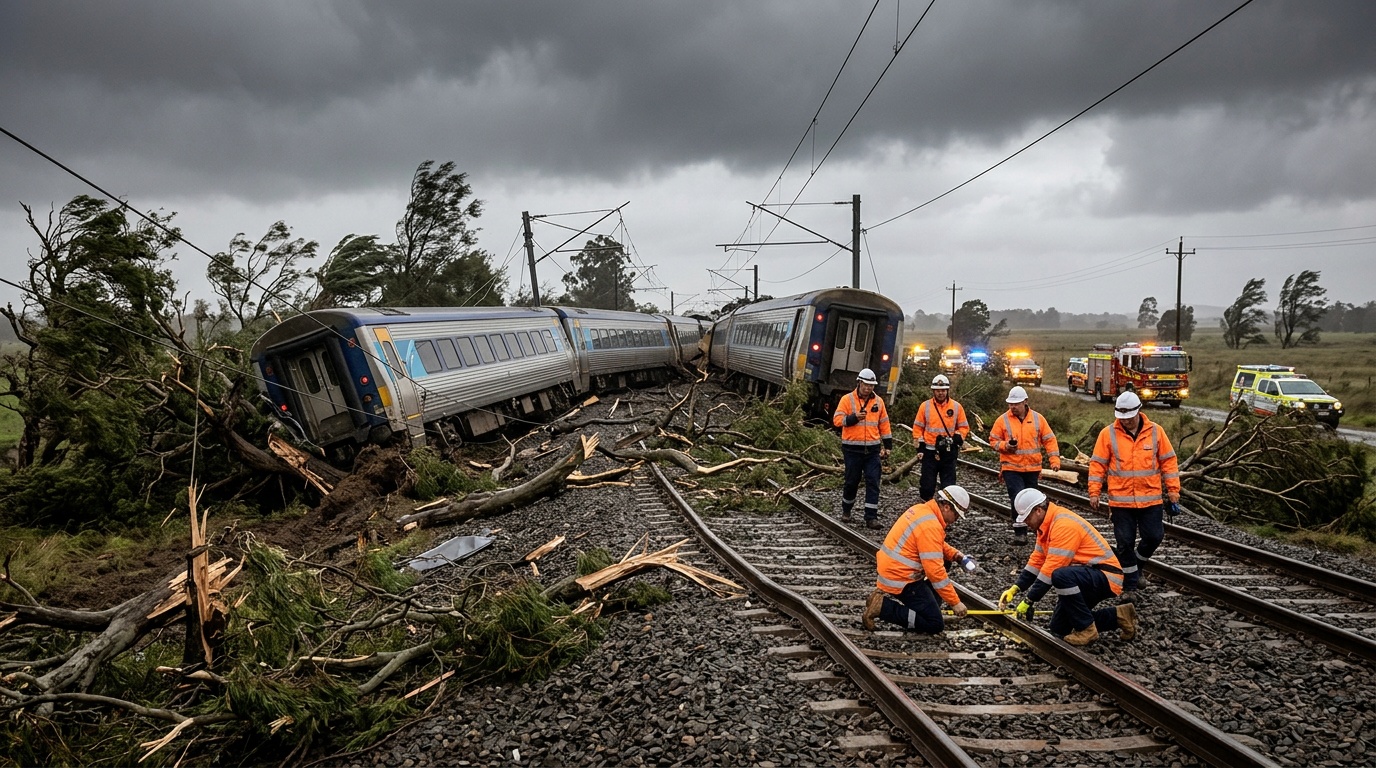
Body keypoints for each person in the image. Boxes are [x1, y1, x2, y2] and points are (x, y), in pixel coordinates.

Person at [998, 488, 1137, 646]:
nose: (1026, 523)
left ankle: (1087, 630)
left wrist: (1029, 600)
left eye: (1027, 518)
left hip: (1105, 575)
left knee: (1060, 575)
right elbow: (1037, 561)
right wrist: (1016, 588)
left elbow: (1050, 570)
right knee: (1059, 629)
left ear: (1038, 510)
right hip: (1086, 576)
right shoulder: (1046, 527)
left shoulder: (1063, 525)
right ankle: (1120, 615)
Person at [1087, 391, 1181, 591]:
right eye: (1122, 418)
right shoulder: (1108, 434)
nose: (1126, 421)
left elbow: (1169, 462)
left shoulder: (1156, 432)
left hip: (1151, 499)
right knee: (1124, 544)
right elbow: (1097, 466)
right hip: (1121, 502)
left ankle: (1136, 567)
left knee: (1154, 537)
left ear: (1139, 411)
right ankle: (1130, 587)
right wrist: (1094, 492)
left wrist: (1173, 490)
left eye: (1129, 417)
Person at [862, 486, 976, 633]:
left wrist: (957, 556)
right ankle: (883, 608)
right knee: (934, 623)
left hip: (894, 569)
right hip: (902, 578)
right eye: (957, 515)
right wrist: (955, 602)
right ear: (947, 507)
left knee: (946, 561)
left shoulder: (923, 510)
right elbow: (935, 572)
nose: (957, 520)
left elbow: (935, 545)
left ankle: (928, 603)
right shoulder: (931, 526)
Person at [988, 385, 1061, 545]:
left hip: (1032, 469)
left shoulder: (1037, 419)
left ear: (1025, 402)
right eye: (1011, 404)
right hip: (1011, 468)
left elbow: (1049, 439)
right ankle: (1020, 532)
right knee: (1017, 498)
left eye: (1016, 403)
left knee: (1034, 501)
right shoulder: (1003, 420)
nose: (1013, 407)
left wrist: (1054, 460)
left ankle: (1037, 530)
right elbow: (993, 441)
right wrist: (1005, 446)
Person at [832, 368, 893, 529]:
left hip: (872, 450)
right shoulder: (847, 399)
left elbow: (884, 424)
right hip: (852, 450)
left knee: (873, 481)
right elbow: (837, 420)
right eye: (866, 385)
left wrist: (888, 446)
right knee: (852, 481)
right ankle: (846, 510)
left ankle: (871, 517)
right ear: (859, 383)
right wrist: (853, 418)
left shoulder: (878, 402)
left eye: (871, 386)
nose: (868, 388)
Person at [912, 374, 970, 502]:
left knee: (948, 486)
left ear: (947, 391)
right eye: (938, 390)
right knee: (927, 485)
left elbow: (964, 427)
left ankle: (946, 510)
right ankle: (926, 507)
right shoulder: (925, 406)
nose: (940, 393)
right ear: (933, 391)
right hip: (929, 452)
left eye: (943, 390)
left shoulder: (956, 407)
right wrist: (920, 448)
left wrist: (958, 437)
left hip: (949, 452)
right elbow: (917, 429)